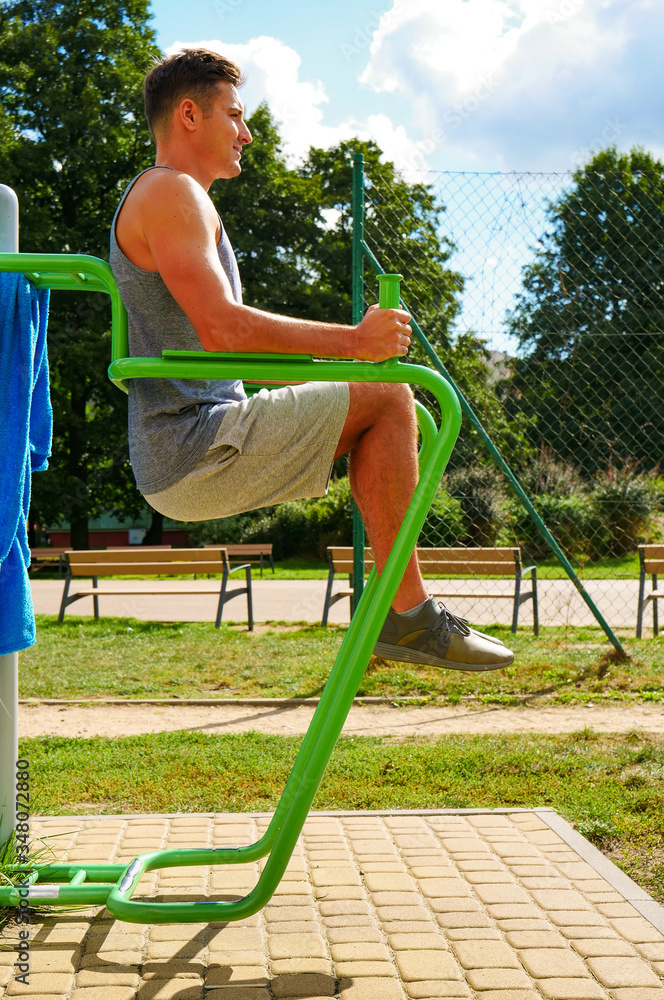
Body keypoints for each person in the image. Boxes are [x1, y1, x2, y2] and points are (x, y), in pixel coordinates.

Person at [110, 47, 513, 671]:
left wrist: (349, 373)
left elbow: (244, 362)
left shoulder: (181, 200)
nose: (246, 134)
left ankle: (406, 614)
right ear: (189, 114)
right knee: (389, 398)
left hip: (201, 438)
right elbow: (224, 330)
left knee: (383, 400)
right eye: (235, 117)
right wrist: (354, 342)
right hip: (191, 446)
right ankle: (409, 616)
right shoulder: (172, 193)